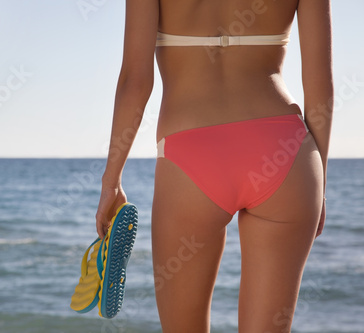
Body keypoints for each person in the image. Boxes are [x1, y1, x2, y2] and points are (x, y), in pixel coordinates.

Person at [95, 0, 333, 331]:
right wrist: (320, 181)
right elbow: (321, 86)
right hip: (286, 153)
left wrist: (112, 180)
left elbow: (135, 81)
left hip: (190, 156)